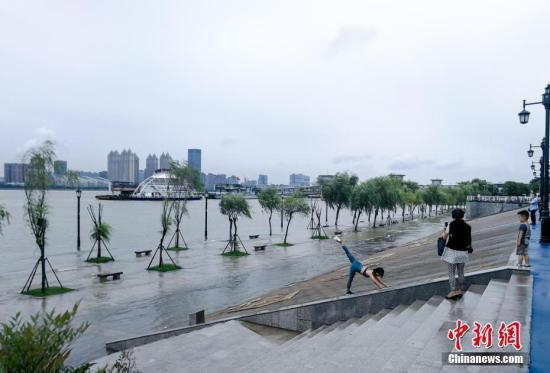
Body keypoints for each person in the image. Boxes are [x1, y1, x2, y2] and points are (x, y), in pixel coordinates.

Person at [440, 208, 472, 300]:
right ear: (462, 215)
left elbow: (444, 236)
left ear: (453, 216)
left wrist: (444, 232)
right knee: (461, 272)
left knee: (451, 273)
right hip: (463, 252)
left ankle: (453, 291)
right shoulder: (467, 226)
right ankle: (461, 290)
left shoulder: (451, 225)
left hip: (452, 253)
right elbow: (468, 241)